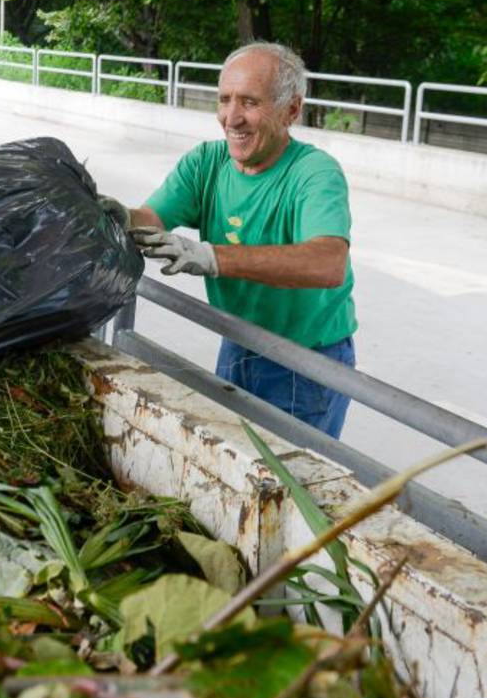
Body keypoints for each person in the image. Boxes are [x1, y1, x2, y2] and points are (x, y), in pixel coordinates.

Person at [102, 42, 356, 439]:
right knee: (236, 457)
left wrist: (213, 257)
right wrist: (120, 216)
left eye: (250, 103)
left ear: (291, 110)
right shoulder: (207, 163)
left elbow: (327, 263)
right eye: (224, 100)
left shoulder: (315, 174)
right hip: (238, 341)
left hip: (305, 361)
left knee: (290, 484)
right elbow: (152, 218)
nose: (231, 118)